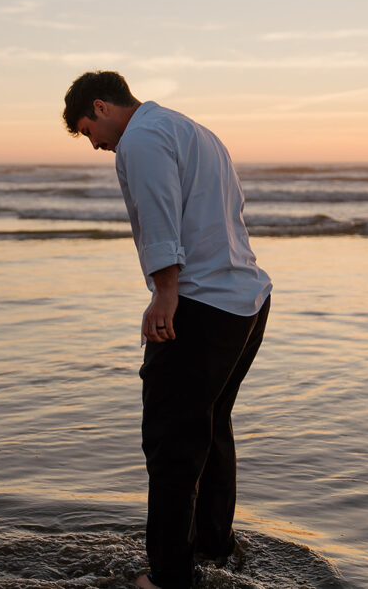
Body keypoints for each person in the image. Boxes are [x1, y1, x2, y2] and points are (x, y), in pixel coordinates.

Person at [62, 72, 272, 589]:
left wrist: (164, 293)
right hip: (247, 299)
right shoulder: (193, 130)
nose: (94, 143)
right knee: (210, 425)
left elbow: (159, 217)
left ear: (101, 106)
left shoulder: (141, 139)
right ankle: (212, 545)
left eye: (88, 129)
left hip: (199, 305)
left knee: (171, 441)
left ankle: (168, 577)